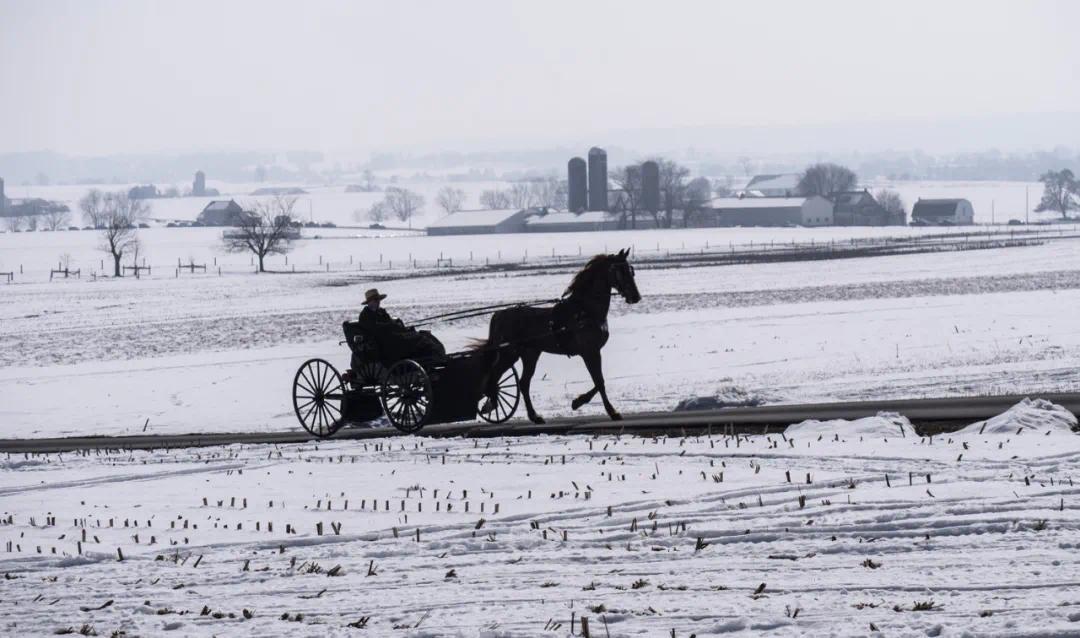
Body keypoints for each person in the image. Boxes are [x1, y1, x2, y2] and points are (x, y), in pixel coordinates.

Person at [358, 288, 445, 361]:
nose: (378, 302)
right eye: (375, 300)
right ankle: (428, 355)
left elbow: (390, 322)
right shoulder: (365, 315)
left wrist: (397, 324)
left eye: (378, 300)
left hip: (393, 336)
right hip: (385, 343)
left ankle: (435, 354)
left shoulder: (381, 312)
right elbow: (375, 329)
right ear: (369, 302)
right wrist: (391, 326)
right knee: (414, 339)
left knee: (423, 334)